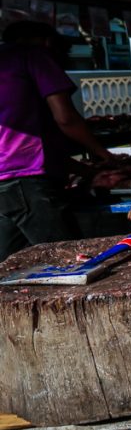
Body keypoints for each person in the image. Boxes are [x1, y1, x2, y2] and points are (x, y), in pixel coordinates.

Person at [0, 21, 113, 262]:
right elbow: (66, 118)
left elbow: (22, 143)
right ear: (49, 42)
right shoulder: (34, 56)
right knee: (69, 263)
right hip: (27, 184)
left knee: (10, 267)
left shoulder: (6, 63)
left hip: (8, 183)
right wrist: (103, 153)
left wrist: (85, 170)